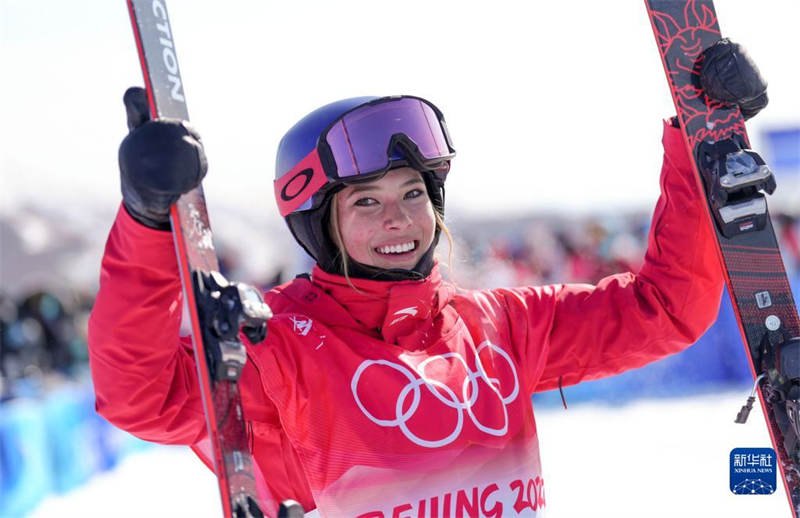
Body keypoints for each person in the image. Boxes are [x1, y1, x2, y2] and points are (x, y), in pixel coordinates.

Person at [89, 40, 767, 517]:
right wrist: (149, 225)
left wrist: (700, 138)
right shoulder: (277, 346)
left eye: (413, 192)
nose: (399, 219)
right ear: (317, 223)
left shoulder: (499, 326)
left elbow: (666, 307)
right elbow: (140, 396)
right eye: (365, 201)